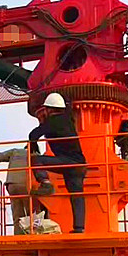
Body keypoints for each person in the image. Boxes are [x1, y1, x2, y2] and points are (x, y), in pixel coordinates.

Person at [29, 93, 87, 233]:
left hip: (67, 162)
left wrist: (33, 146)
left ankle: (46, 183)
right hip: (80, 165)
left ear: (49, 109)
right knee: (77, 195)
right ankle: (79, 228)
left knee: (36, 160)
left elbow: (33, 135)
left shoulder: (53, 122)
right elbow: (67, 108)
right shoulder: (69, 118)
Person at [0, 147, 37, 234]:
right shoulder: (37, 155)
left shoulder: (15, 152)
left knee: (17, 213)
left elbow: (1, 156)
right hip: (27, 185)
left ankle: (18, 235)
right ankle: (33, 233)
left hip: (12, 185)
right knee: (32, 213)